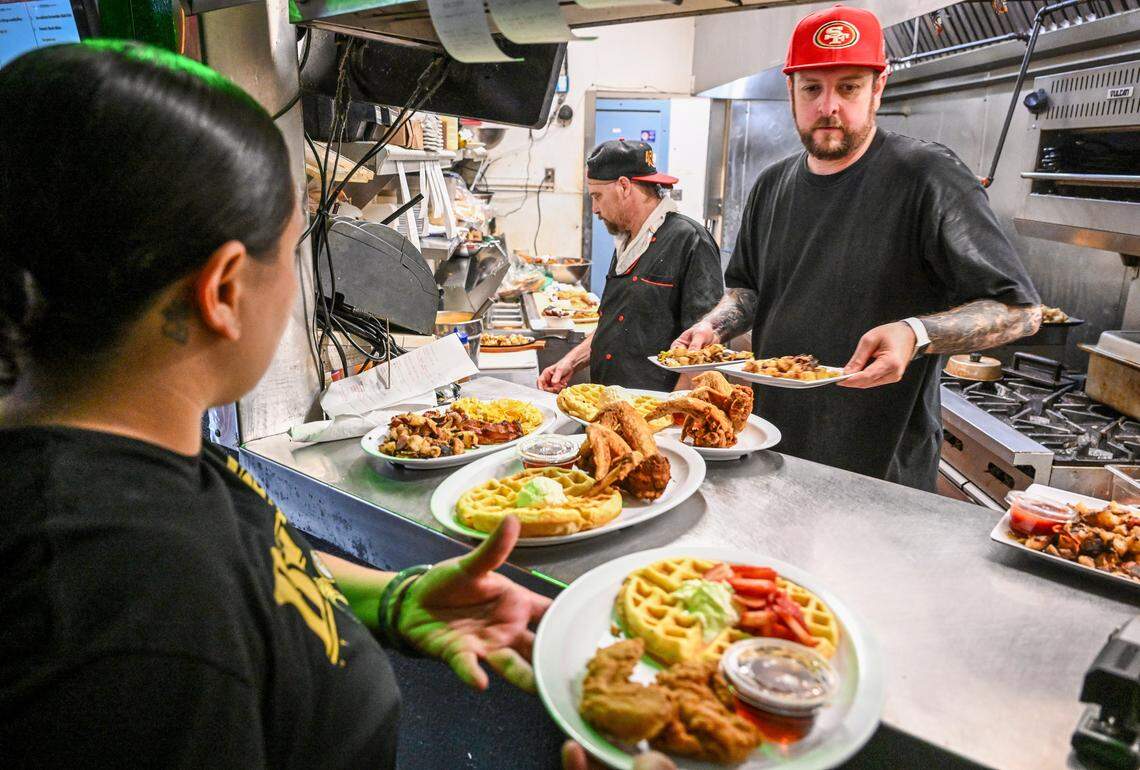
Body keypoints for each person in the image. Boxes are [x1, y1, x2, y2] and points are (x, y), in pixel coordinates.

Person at [0, 41, 662, 769]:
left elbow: (244, 559)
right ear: (223, 290)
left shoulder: (124, 451)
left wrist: (392, 597)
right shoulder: (125, 642)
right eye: (292, 252)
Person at [674, 5, 1041, 491]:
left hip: (880, 463)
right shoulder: (771, 185)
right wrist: (713, 327)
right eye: (812, 88)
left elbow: (1020, 311)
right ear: (791, 90)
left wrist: (915, 333)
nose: (828, 106)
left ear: (877, 88)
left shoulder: (928, 177)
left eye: (848, 88)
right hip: (773, 444)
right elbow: (748, 291)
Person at [538, 140, 724, 394]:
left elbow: (703, 351)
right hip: (609, 401)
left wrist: (674, 410)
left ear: (624, 186)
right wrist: (571, 361)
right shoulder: (629, 241)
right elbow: (617, 325)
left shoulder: (690, 240)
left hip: (654, 408)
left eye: (597, 196)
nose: (595, 209)